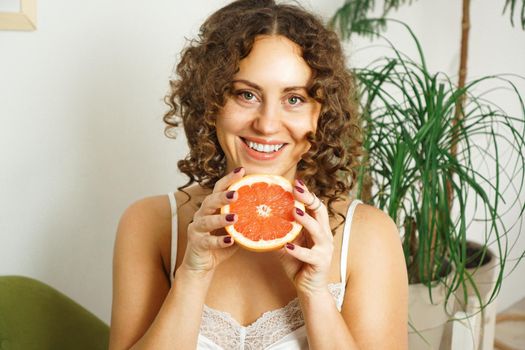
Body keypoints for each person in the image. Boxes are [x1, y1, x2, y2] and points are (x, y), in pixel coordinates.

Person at [109, 0, 408, 349]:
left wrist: (315, 293)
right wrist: (192, 277)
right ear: (211, 103)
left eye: (294, 99)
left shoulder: (369, 236)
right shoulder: (150, 224)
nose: (267, 124)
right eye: (246, 94)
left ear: (321, 114)